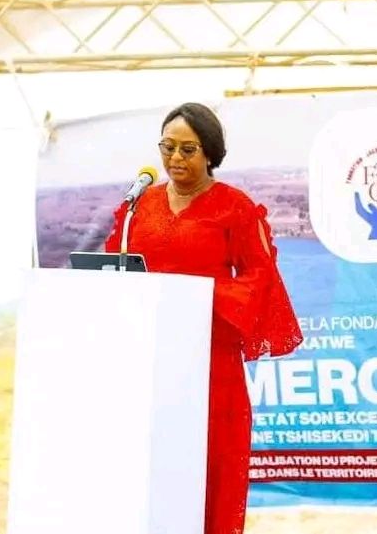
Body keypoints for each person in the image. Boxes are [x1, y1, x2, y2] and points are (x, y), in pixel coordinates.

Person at [105, 102, 303, 534]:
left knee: (207, 466)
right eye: (167, 147)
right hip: (150, 361)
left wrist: (198, 297)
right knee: (150, 466)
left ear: (210, 152)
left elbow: (260, 277)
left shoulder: (234, 206)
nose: (175, 158)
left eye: (187, 149)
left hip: (210, 359)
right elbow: (112, 265)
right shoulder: (140, 207)